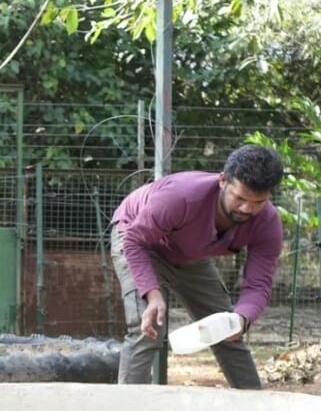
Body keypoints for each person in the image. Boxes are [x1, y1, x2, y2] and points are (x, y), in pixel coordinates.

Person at [109, 144, 285, 389]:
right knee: (148, 327)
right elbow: (135, 241)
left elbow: (259, 283)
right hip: (138, 240)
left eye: (258, 202)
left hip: (190, 252)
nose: (247, 209)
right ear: (223, 181)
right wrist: (153, 293)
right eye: (240, 198)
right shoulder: (181, 196)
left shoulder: (267, 224)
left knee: (227, 330)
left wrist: (242, 318)